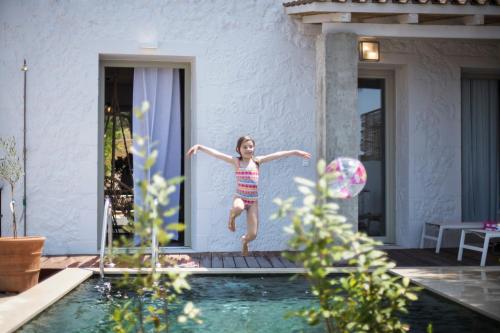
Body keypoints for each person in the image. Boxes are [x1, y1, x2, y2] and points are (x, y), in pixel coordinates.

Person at [186, 135, 311, 255]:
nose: (248, 149)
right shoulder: (236, 161)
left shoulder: (257, 161)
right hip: (240, 197)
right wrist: (200, 147)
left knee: (253, 234)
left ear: (254, 148)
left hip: (253, 202)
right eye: (245, 147)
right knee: (238, 208)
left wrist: (295, 152)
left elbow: (276, 155)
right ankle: (231, 217)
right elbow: (217, 154)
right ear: (238, 149)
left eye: (250, 146)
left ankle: (245, 241)